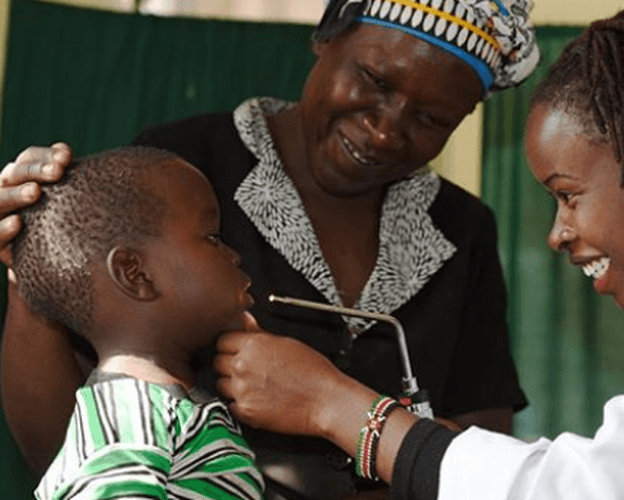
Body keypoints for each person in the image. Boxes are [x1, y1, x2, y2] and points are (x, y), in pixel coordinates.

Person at [203, 4, 624, 499]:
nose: (556, 233)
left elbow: (605, 490)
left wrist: (334, 406)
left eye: (568, 195)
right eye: (374, 78)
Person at [0, 1, 540, 498]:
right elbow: (69, 452)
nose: (384, 132)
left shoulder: (462, 230)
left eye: (431, 119)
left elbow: (474, 461)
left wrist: (338, 407)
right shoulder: (176, 172)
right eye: (374, 79)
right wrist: (29, 268)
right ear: (325, 38)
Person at [11, 146, 264, 499]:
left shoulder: (161, 410)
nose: (234, 256)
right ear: (135, 273)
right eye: (213, 238)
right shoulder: (128, 416)